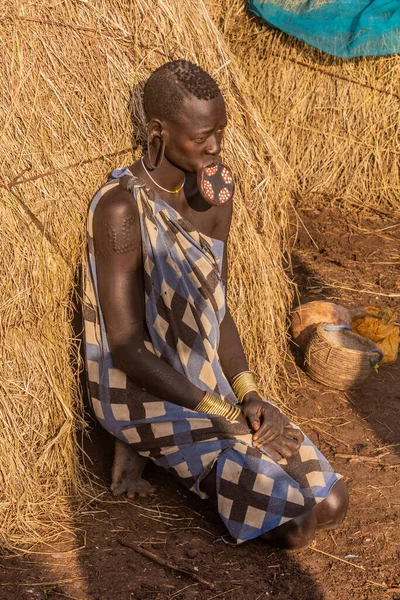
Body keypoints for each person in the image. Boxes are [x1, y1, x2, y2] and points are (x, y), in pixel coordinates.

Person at [82, 60, 348, 549]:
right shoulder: (121, 208)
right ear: (158, 131)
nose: (215, 146)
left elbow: (217, 308)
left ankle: (220, 455)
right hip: (141, 390)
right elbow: (123, 348)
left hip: (212, 386)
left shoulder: (214, 192)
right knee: (294, 529)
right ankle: (184, 462)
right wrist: (220, 413)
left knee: (331, 504)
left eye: (220, 131)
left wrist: (248, 395)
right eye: (202, 136)